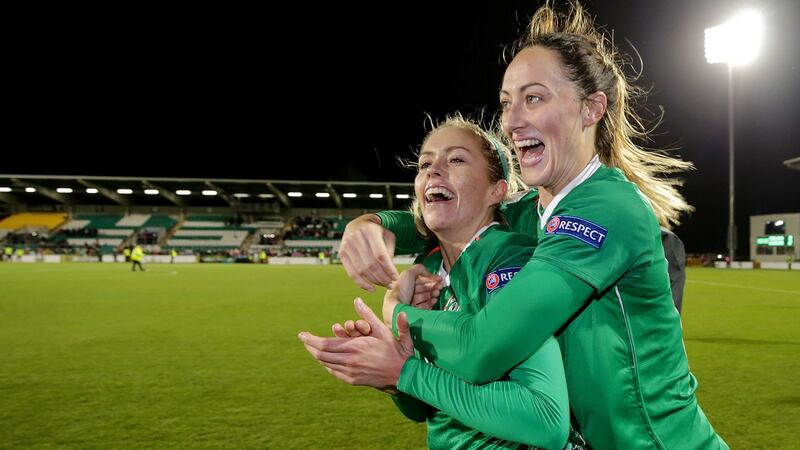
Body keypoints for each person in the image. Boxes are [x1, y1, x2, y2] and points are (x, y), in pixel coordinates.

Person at [306, 2, 727, 449]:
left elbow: (482, 348)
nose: (511, 120)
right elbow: (452, 215)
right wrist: (375, 224)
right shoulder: (534, 209)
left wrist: (398, 314)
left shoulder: (603, 208)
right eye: (507, 103)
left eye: (534, 98)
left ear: (591, 109)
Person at [302, 115, 579, 449]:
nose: (433, 170)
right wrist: (389, 370)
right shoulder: (429, 267)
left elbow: (544, 420)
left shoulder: (511, 258)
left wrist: (397, 323)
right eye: (425, 163)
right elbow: (425, 407)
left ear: (497, 190)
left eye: (457, 159)